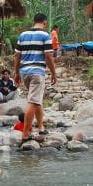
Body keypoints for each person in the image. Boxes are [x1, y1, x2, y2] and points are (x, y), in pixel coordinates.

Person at [14, 12, 57, 143]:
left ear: (34, 21)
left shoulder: (23, 35)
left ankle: (41, 127)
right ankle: (25, 134)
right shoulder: (45, 35)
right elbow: (48, 56)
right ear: (45, 23)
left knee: (37, 100)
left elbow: (17, 56)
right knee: (33, 102)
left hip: (24, 72)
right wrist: (53, 73)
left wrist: (16, 73)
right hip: (37, 72)